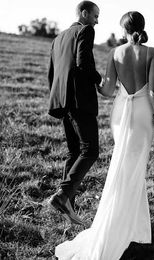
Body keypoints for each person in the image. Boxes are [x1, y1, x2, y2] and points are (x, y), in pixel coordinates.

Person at [55, 11, 154, 260]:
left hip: (120, 113)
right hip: (141, 114)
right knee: (134, 169)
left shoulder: (114, 53)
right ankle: (120, 228)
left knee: (123, 166)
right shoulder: (152, 53)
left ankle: (133, 228)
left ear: (123, 29)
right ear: (143, 26)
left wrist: (92, 82)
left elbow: (107, 90)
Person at [47, 1, 102, 225]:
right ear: (84, 13)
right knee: (90, 150)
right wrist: (100, 81)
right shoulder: (85, 30)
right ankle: (62, 195)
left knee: (73, 152)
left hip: (62, 100)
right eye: (96, 16)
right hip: (80, 100)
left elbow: (52, 72)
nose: (97, 21)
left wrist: (58, 98)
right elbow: (83, 63)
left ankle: (68, 207)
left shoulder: (58, 38)